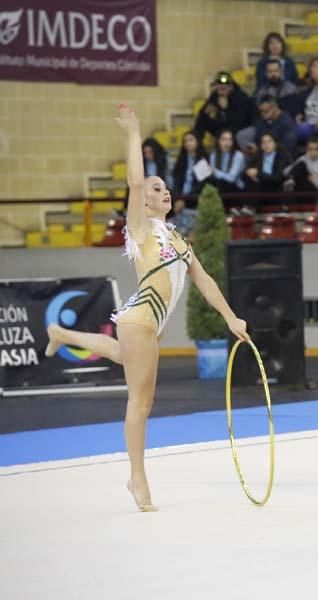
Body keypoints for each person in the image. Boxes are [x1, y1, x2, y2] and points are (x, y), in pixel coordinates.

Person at [45, 104, 249, 511]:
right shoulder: (139, 228)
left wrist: (231, 317)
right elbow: (135, 183)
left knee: (123, 357)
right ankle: (137, 479)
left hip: (147, 324)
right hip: (141, 317)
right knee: (140, 402)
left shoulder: (178, 238)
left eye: (165, 188)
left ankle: (62, 334)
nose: (162, 192)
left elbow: (204, 281)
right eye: (157, 189)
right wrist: (134, 133)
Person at [193, 72, 256, 143]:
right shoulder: (215, 95)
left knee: (228, 131)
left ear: (231, 86)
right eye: (219, 85)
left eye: (224, 87)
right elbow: (203, 111)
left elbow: (239, 122)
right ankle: (196, 143)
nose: (221, 88)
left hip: (239, 128)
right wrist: (205, 113)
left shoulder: (241, 98)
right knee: (201, 119)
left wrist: (225, 109)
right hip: (222, 125)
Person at [171, 131, 209, 197]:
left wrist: (187, 198)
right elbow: (176, 181)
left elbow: (201, 184)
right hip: (180, 196)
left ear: (198, 142)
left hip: (196, 198)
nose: (188, 143)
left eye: (191, 140)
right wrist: (178, 197)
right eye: (185, 141)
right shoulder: (181, 160)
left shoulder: (203, 160)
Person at [208, 129, 246, 194]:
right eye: (223, 139)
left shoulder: (238, 155)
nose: (227, 142)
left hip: (236, 188)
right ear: (218, 141)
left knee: (219, 183)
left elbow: (231, 179)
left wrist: (215, 171)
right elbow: (212, 176)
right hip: (219, 186)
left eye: (230, 139)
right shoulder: (213, 155)